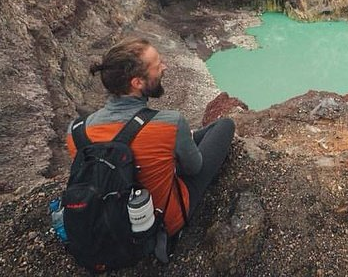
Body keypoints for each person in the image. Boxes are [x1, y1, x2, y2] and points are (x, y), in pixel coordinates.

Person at [66, 37, 235, 239]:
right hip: (161, 224)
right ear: (137, 82)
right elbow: (194, 168)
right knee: (225, 125)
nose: (165, 67)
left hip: (104, 223)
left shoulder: (76, 131)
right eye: (157, 65)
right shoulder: (169, 123)